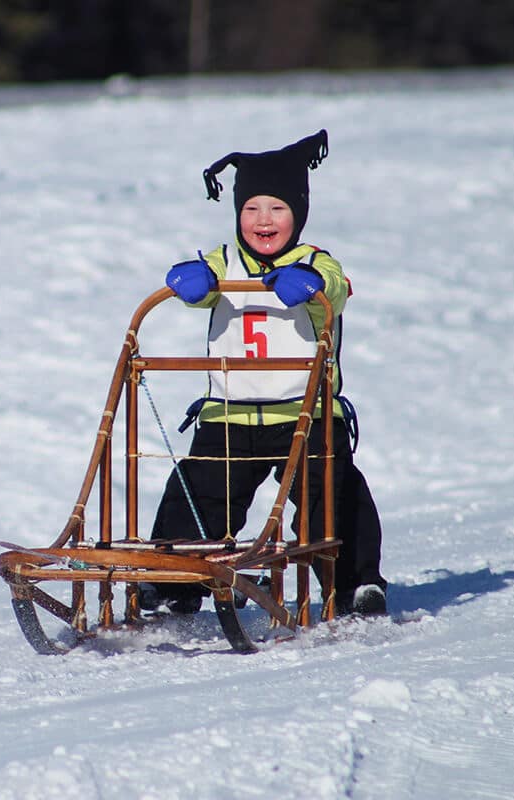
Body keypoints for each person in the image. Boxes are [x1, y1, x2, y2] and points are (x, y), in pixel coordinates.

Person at [142, 129, 387, 617]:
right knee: (198, 492)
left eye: (277, 209)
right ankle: (174, 582)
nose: (263, 221)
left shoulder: (316, 262)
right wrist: (189, 279)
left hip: (306, 411)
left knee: (331, 497)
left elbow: (334, 290)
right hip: (230, 413)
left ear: (298, 214)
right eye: (251, 209)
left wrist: (312, 284)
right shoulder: (225, 260)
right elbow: (202, 282)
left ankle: (358, 584)